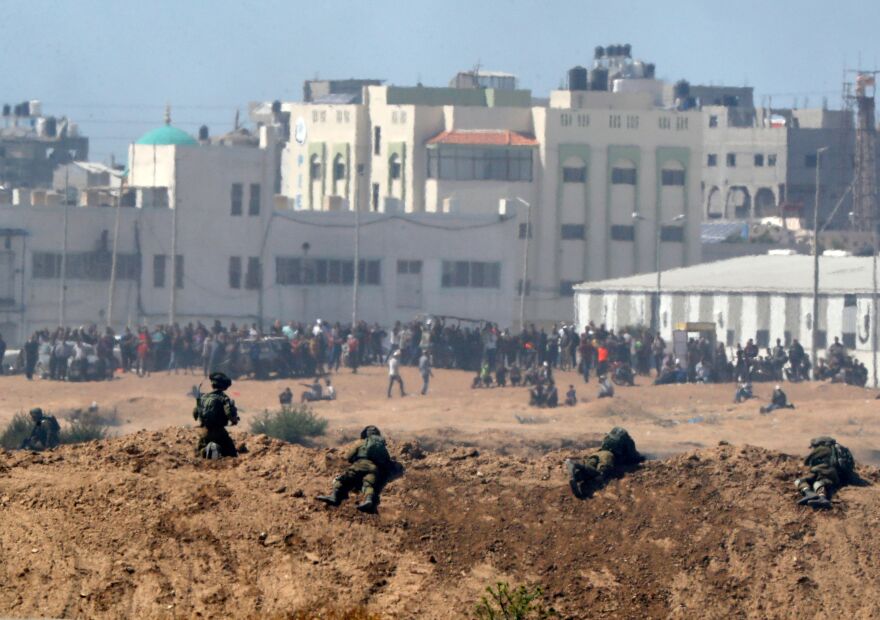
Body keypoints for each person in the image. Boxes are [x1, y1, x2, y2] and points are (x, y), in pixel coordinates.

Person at [316, 425, 402, 514]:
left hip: (358, 466)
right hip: (373, 469)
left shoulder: (361, 442)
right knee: (368, 485)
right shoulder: (381, 446)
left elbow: (348, 456)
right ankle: (368, 500)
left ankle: (334, 496)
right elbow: (386, 461)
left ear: (366, 434)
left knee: (342, 480)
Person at [565, 427, 643, 498]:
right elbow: (633, 456)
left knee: (587, 471)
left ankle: (576, 475)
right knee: (601, 472)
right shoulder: (624, 442)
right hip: (607, 456)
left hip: (597, 454)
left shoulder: (609, 442)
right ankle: (577, 464)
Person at [795, 436, 855, 509]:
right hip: (823, 473)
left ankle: (822, 499)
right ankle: (810, 494)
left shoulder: (822, 449)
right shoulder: (833, 450)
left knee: (815, 483)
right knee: (802, 481)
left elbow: (806, 461)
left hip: (827, 474)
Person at [192, 372, 239, 458]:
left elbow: (195, 414)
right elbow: (229, 413)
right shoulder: (224, 398)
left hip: (205, 432)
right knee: (232, 454)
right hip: (219, 433)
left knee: (198, 454)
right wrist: (234, 420)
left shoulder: (203, 397)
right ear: (224, 386)